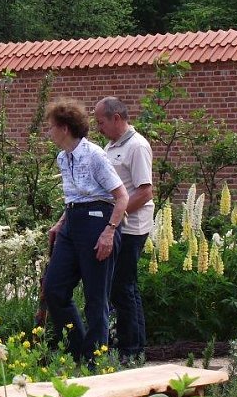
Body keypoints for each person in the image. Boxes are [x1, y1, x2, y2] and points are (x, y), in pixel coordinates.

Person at [44, 98, 129, 363]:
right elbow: (76, 197)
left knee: (96, 297)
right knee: (54, 288)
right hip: (72, 221)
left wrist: (109, 232)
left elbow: (122, 197)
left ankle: (95, 362)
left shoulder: (94, 155)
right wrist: (61, 222)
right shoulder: (63, 157)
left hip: (97, 222)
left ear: (65, 128)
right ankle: (78, 350)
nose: (49, 132)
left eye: (51, 127)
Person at [94, 96, 154, 363]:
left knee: (122, 286)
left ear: (116, 118)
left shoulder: (137, 146)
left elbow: (145, 191)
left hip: (131, 228)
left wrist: (116, 217)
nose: (98, 128)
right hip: (118, 225)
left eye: (101, 122)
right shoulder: (111, 146)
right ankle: (133, 346)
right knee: (122, 286)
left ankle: (132, 349)